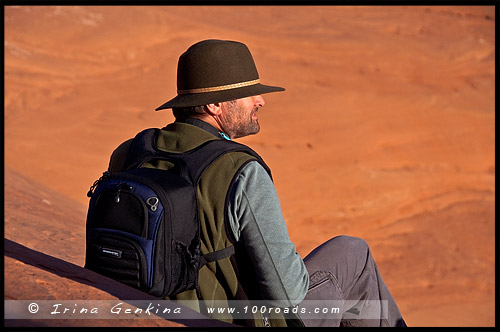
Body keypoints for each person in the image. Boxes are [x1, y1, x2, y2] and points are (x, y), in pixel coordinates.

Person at [107, 39, 406, 327]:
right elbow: (288, 294)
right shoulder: (240, 171)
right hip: (230, 319)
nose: (260, 100)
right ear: (214, 105)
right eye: (249, 93)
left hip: (149, 310)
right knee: (353, 254)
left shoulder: (130, 152)